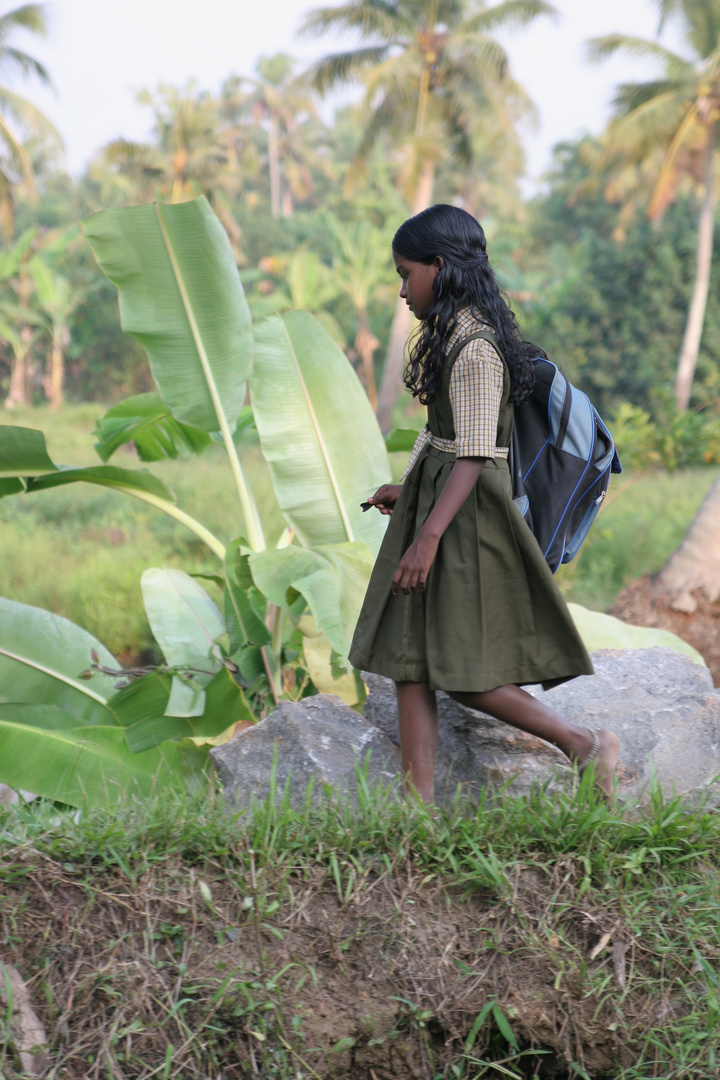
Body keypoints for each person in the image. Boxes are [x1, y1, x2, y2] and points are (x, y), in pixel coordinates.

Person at [349, 204, 619, 803]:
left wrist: (428, 537)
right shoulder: (452, 336)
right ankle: (416, 812)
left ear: (438, 268)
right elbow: (445, 433)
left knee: (464, 673)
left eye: (405, 273)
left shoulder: (475, 347)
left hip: (464, 520)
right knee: (408, 659)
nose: (401, 290)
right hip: (438, 501)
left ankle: (584, 744)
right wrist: (408, 484)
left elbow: (474, 454)